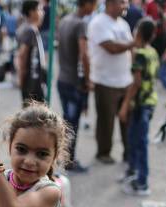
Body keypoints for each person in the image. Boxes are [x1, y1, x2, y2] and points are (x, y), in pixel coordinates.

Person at [88, 0, 134, 164]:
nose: (126, 6)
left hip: (125, 80)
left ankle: (129, 152)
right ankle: (103, 152)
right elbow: (112, 47)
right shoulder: (99, 23)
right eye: (122, 2)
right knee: (106, 122)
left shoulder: (123, 24)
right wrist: (134, 43)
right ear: (111, 3)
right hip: (105, 81)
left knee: (127, 120)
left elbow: (130, 49)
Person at [118, 17, 159, 196]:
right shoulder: (152, 52)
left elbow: (136, 83)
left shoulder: (141, 54)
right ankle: (133, 173)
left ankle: (142, 181)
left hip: (141, 103)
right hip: (149, 101)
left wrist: (125, 105)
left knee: (139, 141)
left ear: (139, 33)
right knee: (135, 139)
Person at [57, 0, 97, 172]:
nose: (94, 7)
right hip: (74, 82)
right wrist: (88, 79)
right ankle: (69, 160)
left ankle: (64, 157)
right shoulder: (81, 23)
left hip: (63, 79)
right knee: (72, 124)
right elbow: (84, 54)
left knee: (67, 122)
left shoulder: (66, 20)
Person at [17, 0, 46, 106]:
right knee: (34, 115)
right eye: (40, 9)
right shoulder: (29, 30)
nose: (42, 12)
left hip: (32, 80)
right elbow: (22, 54)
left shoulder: (28, 28)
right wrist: (21, 77)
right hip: (32, 81)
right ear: (32, 12)